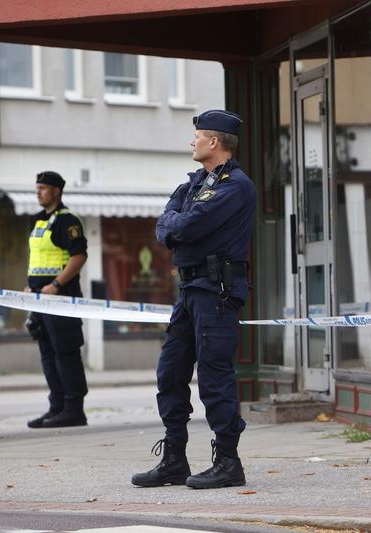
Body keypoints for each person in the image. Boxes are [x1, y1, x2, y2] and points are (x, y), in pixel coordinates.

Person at [131, 109, 256, 489]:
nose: (192, 141)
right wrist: (173, 226)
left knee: (214, 377)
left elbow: (183, 225)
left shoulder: (234, 185)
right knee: (170, 372)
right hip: (189, 291)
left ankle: (229, 462)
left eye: (198, 136)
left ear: (214, 142)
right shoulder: (198, 181)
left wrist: (173, 226)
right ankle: (174, 459)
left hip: (215, 293)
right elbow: (166, 222)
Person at [25, 171, 89, 429]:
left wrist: (55, 284)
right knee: (48, 354)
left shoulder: (67, 220)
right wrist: (31, 287)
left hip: (60, 298)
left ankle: (74, 409)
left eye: (43, 188)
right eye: (37, 187)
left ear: (56, 191)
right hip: (39, 300)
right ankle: (57, 407)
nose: (38, 192)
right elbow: (38, 261)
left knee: (65, 353)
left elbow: (79, 256)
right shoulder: (40, 221)